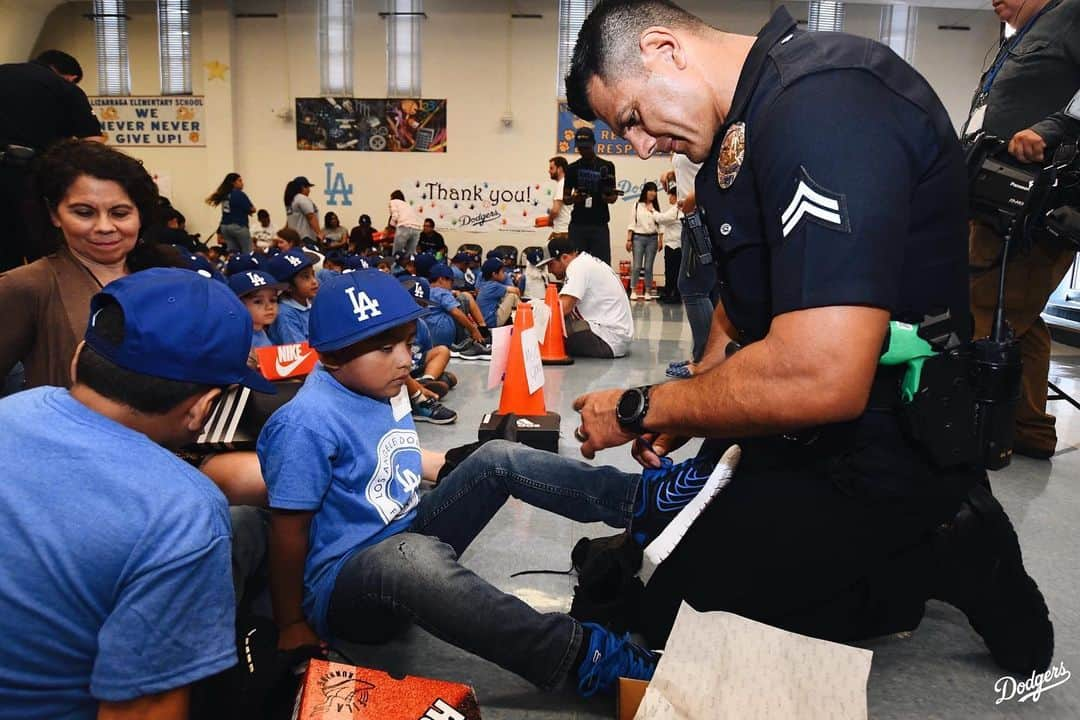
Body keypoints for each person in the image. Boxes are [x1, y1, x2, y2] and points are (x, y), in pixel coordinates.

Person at [566, 0, 1053, 675]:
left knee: (669, 628)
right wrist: (697, 408)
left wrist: (642, 408)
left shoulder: (824, 106)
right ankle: (889, 560)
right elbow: (742, 312)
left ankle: (948, 540)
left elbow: (824, 373)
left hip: (891, 445)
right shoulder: (741, 128)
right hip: (802, 437)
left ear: (662, 50)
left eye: (634, 120)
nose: (643, 147)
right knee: (624, 590)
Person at [258, 270, 740, 697]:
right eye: (387, 349)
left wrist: (455, 469)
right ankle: (586, 657)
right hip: (350, 589)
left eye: (407, 342)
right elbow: (287, 532)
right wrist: (292, 623)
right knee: (407, 557)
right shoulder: (306, 423)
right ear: (334, 357)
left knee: (495, 457)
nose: (406, 359)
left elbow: (395, 463)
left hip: (406, 535)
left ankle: (643, 501)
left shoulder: (378, 384)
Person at [0, 268, 275, 718]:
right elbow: (141, 711)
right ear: (203, 407)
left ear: (79, 357)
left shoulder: (11, 408)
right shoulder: (183, 512)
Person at [963, 0, 1080, 459]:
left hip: (1040, 203)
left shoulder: (1071, 12)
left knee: (986, 306)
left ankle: (970, 425)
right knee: (1018, 319)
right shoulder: (1025, 34)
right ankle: (1029, 429)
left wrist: (1050, 130)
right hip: (997, 198)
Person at [0, 50, 103, 271]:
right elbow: (93, 144)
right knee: (43, 252)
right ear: (70, 76)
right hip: (32, 178)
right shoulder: (65, 88)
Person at [537, 235, 633, 359]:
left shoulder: (577, 266)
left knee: (549, 328)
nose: (549, 271)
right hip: (616, 337)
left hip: (608, 340)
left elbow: (562, 308)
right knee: (553, 322)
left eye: (551, 265)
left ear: (564, 258)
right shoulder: (585, 262)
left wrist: (535, 311)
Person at [563, 126, 619, 264]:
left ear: (593, 144)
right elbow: (566, 199)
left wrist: (608, 197)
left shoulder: (606, 166)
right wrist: (575, 199)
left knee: (602, 266)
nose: (583, 151)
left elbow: (613, 196)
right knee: (576, 266)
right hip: (578, 225)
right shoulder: (572, 169)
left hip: (599, 224)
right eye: (580, 148)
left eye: (586, 147)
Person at [267, 248, 320, 344]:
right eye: (306, 277)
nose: (314, 281)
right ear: (288, 287)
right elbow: (300, 353)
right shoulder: (285, 315)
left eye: (313, 274)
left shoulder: (310, 301)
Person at [229, 269, 285, 359]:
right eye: (258, 301)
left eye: (273, 300)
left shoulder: (259, 330)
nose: (269, 307)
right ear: (238, 305)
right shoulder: (236, 338)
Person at [626, 181, 662, 300]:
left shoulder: (655, 207)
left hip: (652, 238)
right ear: (645, 191)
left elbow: (660, 224)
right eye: (650, 190)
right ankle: (633, 290)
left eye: (655, 191)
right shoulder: (637, 205)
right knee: (636, 266)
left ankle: (648, 290)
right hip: (638, 238)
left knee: (648, 267)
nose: (653, 193)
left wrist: (660, 239)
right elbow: (632, 223)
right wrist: (629, 239)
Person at [208, 172, 255, 254]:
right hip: (238, 226)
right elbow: (251, 209)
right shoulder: (239, 194)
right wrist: (251, 210)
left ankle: (233, 265)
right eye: (239, 181)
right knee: (247, 251)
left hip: (225, 227)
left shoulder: (224, 195)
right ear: (233, 183)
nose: (242, 183)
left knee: (232, 252)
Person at [477, 257, 522, 327]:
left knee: (507, 295)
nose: (504, 274)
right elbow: (516, 290)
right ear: (494, 274)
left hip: (486, 319)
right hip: (492, 321)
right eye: (502, 272)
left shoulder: (485, 285)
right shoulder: (494, 286)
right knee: (512, 296)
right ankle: (527, 315)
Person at [656, 185, 682, 304]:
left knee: (673, 271)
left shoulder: (677, 207)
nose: (669, 198)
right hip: (672, 243)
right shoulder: (675, 208)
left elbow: (664, 218)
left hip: (675, 245)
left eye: (670, 195)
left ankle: (674, 294)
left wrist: (652, 212)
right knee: (670, 270)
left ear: (675, 196)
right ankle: (668, 292)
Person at [285, 176, 322, 246]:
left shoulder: (291, 200)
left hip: (294, 239)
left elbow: (289, 221)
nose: (309, 190)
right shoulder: (302, 198)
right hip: (306, 238)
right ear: (302, 187)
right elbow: (310, 216)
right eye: (308, 188)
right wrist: (319, 233)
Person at [388, 189, 423, 255]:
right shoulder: (407, 205)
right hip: (416, 229)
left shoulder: (393, 202)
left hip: (404, 227)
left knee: (397, 254)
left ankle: (396, 265)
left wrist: (391, 226)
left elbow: (395, 216)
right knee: (409, 255)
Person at [548, 156, 572, 241]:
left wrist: (549, 220)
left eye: (551, 168)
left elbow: (555, 210)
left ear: (560, 169)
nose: (549, 171)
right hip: (566, 230)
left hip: (562, 232)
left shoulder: (561, 185)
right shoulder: (567, 184)